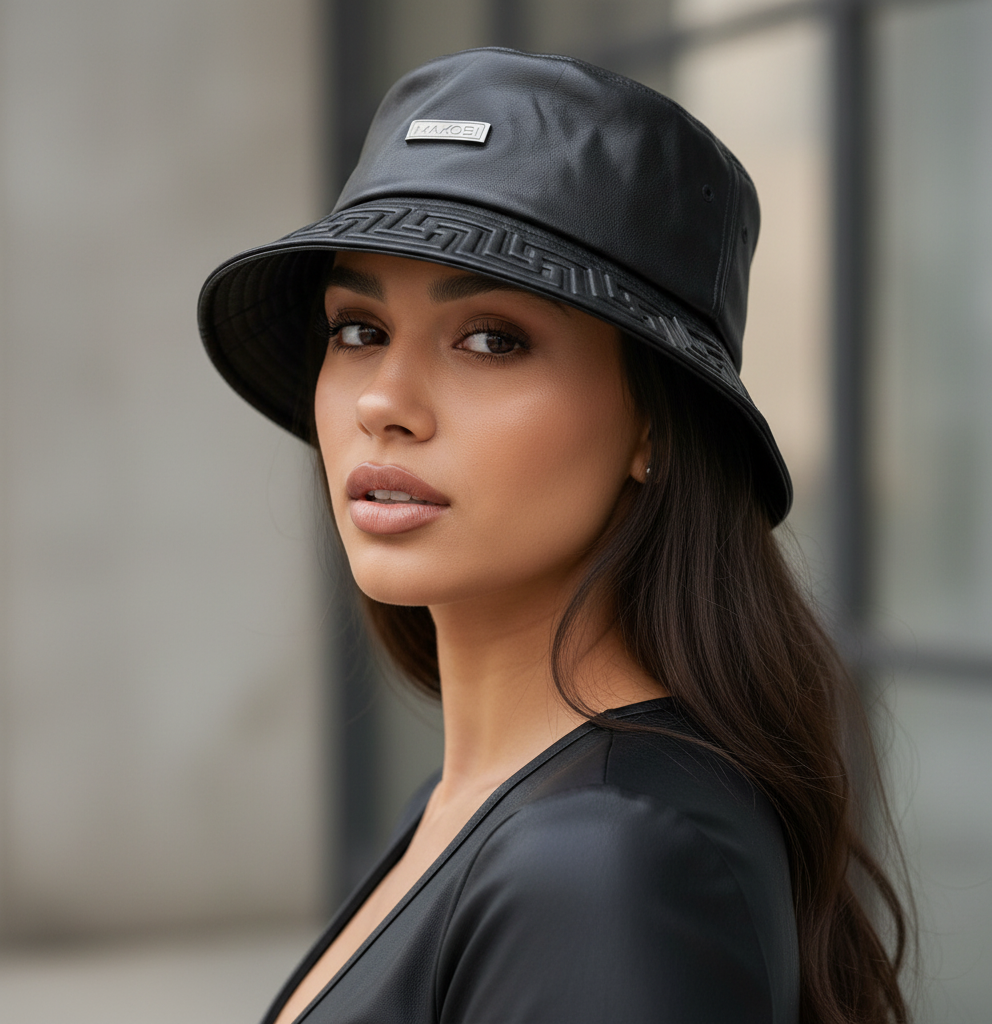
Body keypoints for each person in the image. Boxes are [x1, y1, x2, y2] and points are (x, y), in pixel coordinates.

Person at [198, 48, 911, 1024]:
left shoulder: (600, 862)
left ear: (654, 427)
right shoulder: (481, 805)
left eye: (491, 338)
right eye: (357, 329)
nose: (383, 402)